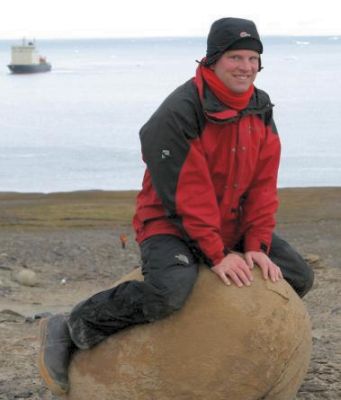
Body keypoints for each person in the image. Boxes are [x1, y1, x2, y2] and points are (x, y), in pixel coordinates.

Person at [38, 17, 314, 396]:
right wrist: (216, 256)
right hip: (170, 223)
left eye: (253, 59)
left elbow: (264, 186)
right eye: (236, 57)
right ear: (213, 59)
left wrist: (255, 245)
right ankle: (73, 324)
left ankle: (226, 339)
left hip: (228, 223)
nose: (246, 67)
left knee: (297, 276)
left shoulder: (260, 107)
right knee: (167, 293)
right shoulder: (179, 112)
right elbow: (187, 196)